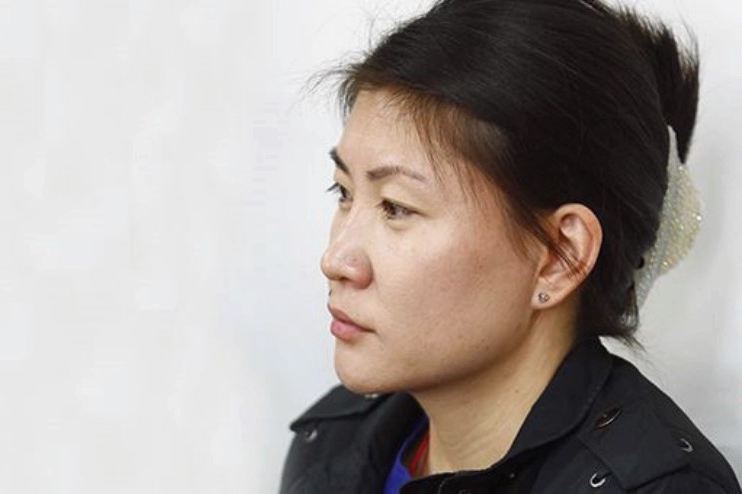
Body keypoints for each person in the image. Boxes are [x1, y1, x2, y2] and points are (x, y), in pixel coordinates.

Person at [280, 0, 742, 492]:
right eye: (343, 192)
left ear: (560, 256)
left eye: (397, 207)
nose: (335, 260)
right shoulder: (334, 441)